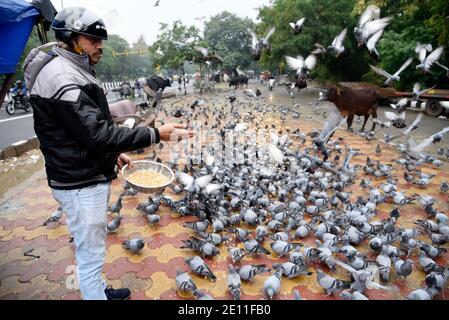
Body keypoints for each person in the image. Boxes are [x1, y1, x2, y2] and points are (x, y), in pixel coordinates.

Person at [23, 6, 193, 300]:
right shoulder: (62, 76)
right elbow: (98, 134)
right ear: (72, 38)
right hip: (79, 182)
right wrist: (156, 133)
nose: (100, 45)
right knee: (90, 253)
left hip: (78, 173)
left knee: (91, 246)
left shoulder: (70, 67)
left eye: (100, 40)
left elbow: (79, 131)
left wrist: (112, 155)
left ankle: (99, 290)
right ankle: (94, 293)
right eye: (92, 39)